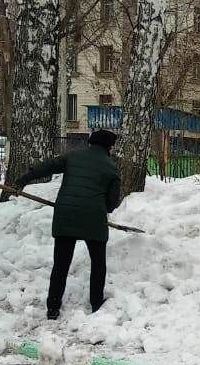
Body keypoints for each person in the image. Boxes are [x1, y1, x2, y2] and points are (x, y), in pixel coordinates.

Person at [14, 130, 122, 320]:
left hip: (66, 215)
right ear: (109, 147)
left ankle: (53, 307)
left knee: (61, 264)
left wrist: (25, 178)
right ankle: (96, 303)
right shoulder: (111, 167)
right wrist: (101, 207)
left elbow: (48, 166)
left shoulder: (74, 156)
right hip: (93, 219)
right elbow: (112, 203)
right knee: (98, 263)